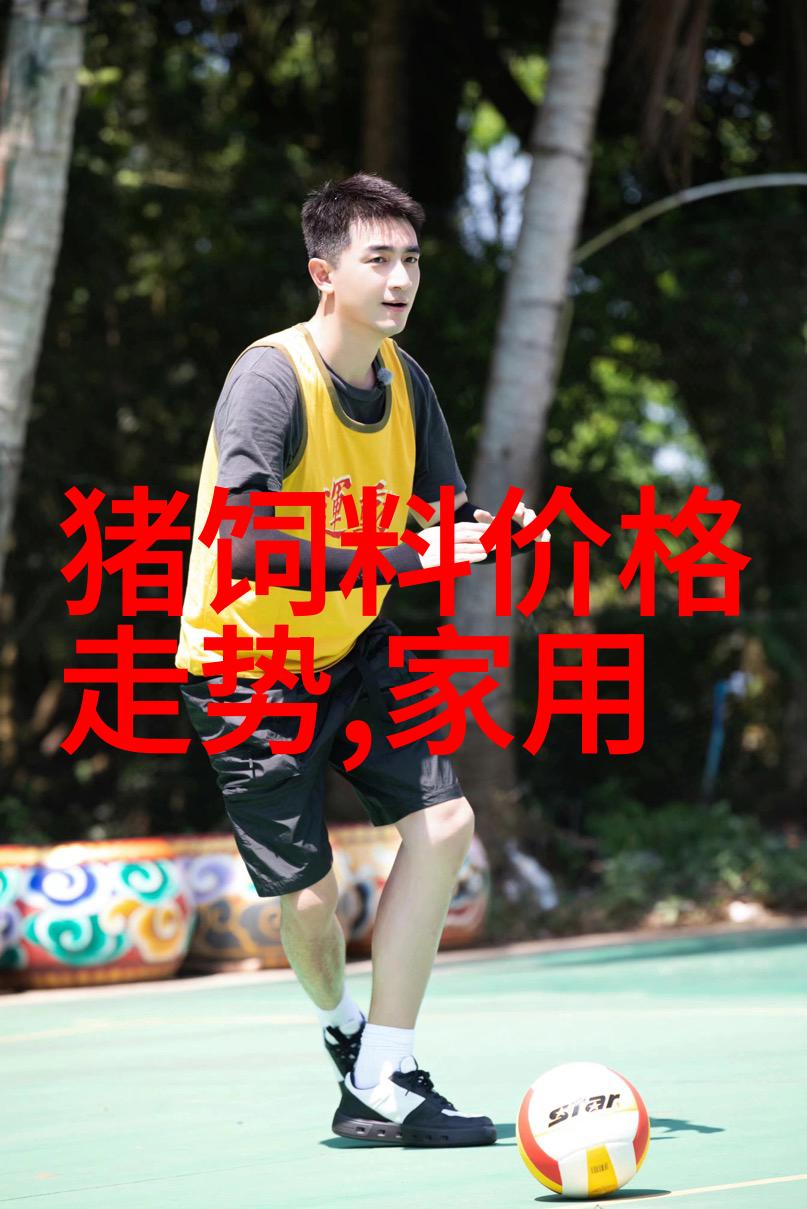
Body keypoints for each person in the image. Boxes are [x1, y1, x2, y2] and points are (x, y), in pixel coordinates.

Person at [176, 172, 547, 1148]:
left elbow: (444, 518)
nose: (400, 279)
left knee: (446, 822)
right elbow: (245, 544)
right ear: (323, 273)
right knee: (309, 903)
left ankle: (386, 1067)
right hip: (248, 664)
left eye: (410, 259)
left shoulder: (405, 380)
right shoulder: (271, 378)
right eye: (377, 259)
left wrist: (498, 534)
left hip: (354, 646)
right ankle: (344, 1029)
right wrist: (406, 557)